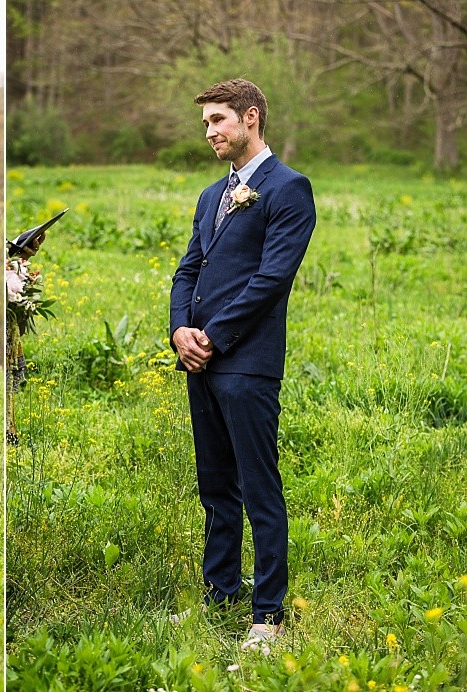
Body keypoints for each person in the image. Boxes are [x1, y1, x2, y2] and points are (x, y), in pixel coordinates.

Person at [168, 79, 315, 650]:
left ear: (251, 118)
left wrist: (213, 337)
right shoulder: (211, 196)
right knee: (215, 486)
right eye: (206, 123)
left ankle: (268, 614)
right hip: (199, 361)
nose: (210, 132)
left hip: (247, 363)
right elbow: (188, 270)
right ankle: (220, 592)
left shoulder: (289, 189)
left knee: (259, 487)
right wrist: (180, 331)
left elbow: (271, 281)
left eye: (218, 120)